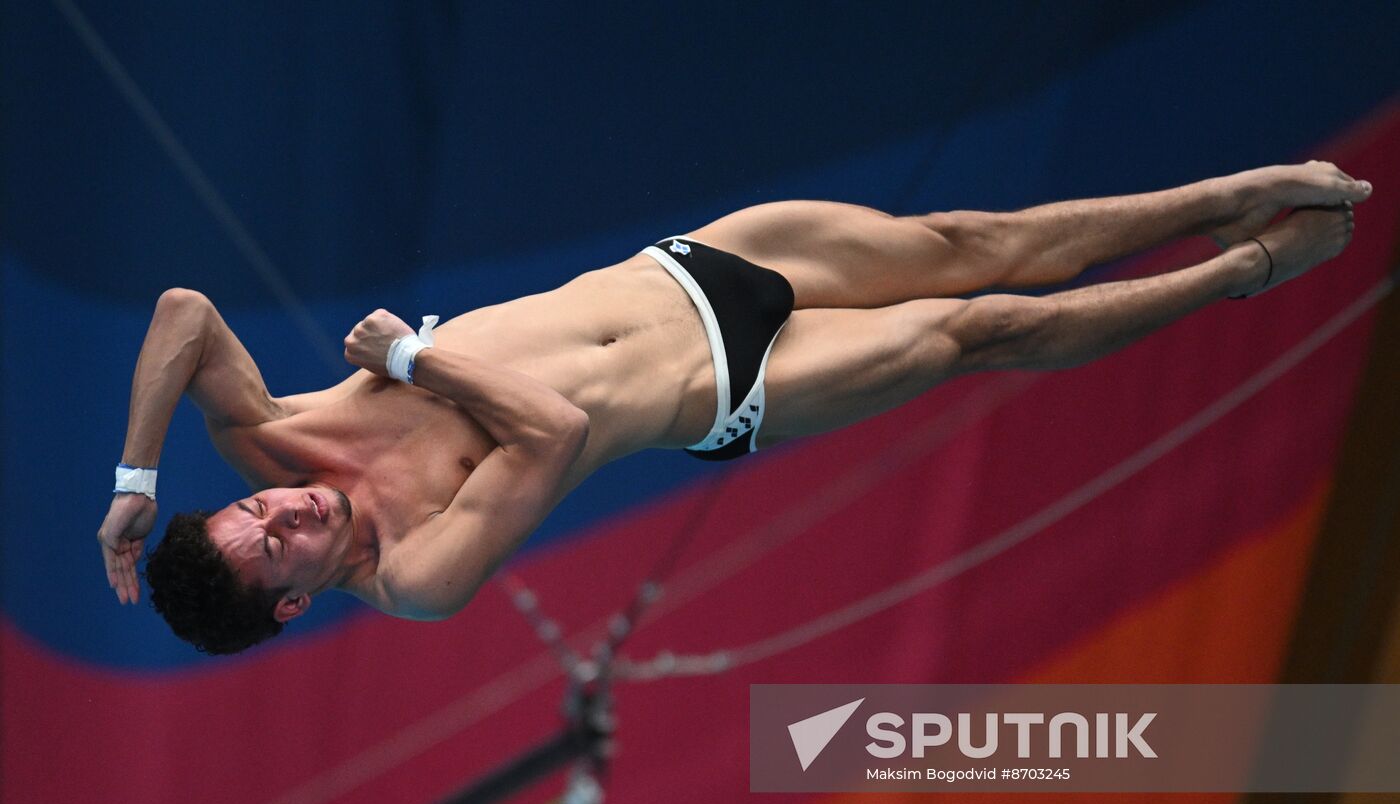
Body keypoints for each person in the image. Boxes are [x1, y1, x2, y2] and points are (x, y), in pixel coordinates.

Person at [97, 161, 1369, 654]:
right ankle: (1244, 270)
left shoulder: (271, 436)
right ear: (296, 597)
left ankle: (1231, 195)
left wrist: (137, 482)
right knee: (988, 329)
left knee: (981, 238)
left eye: (256, 505)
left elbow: (180, 314)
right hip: (734, 384)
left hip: (690, 265)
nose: (286, 502)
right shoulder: (418, 572)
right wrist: (419, 361)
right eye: (279, 538)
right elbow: (553, 429)